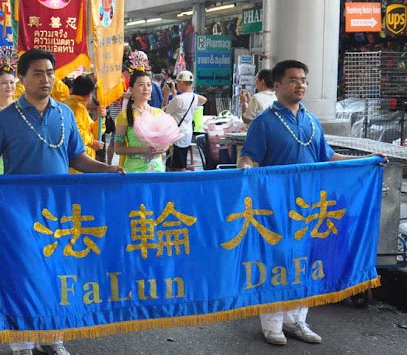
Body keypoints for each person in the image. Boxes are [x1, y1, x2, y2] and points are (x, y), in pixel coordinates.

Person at [0, 49, 125, 355]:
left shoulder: (64, 114)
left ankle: (52, 338)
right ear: (22, 78)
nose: (46, 79)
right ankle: (23, 343)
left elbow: (77, 157)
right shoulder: (5, 119)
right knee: (23, 273)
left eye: (50, 73)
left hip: (59, 210)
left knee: (56, 271)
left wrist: (107, 169)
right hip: (18, 211)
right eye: (37, 73)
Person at [238, 60, 387, 346]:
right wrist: (245, 170)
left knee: (305, 261)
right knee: (278, 261)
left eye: (303, 80)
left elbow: (328, 158)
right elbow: (248, 157)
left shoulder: (311, 121)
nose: (300, 85)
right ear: (277, 85)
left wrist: (367, 161)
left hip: (310, 206)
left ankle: (297, 321)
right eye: (293, 80)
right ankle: (272, 324)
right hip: (276, 205)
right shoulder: (264, 122)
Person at [114, 69, 167, 173]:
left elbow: (166, 144)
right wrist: (143, 150)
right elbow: (118, 148)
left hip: (157, 169)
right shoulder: (124, 116)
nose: (146, 88)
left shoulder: (159, 113)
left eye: (149, 85)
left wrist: (162, 148)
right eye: (141, 85)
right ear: (131, 89)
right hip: (134, 171)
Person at [164, 71, 207, 171]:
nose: (177, 85)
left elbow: (164, 112)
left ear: (182, 83)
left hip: (176, 136)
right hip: (186, 134)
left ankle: (178, 181)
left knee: (175, 166)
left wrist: (166, 95)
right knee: (180, 163)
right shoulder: (194, 97)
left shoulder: (178, 99)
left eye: (178, 82)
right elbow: (204, 100)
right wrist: (174, 92)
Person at [65, 74, 105, 171]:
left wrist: (101, 117)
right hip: (80, 160)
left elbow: (91, 129)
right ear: (89, 94)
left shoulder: (76, 104)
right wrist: (92, 142)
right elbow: (76, 133)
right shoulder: (76, 107)